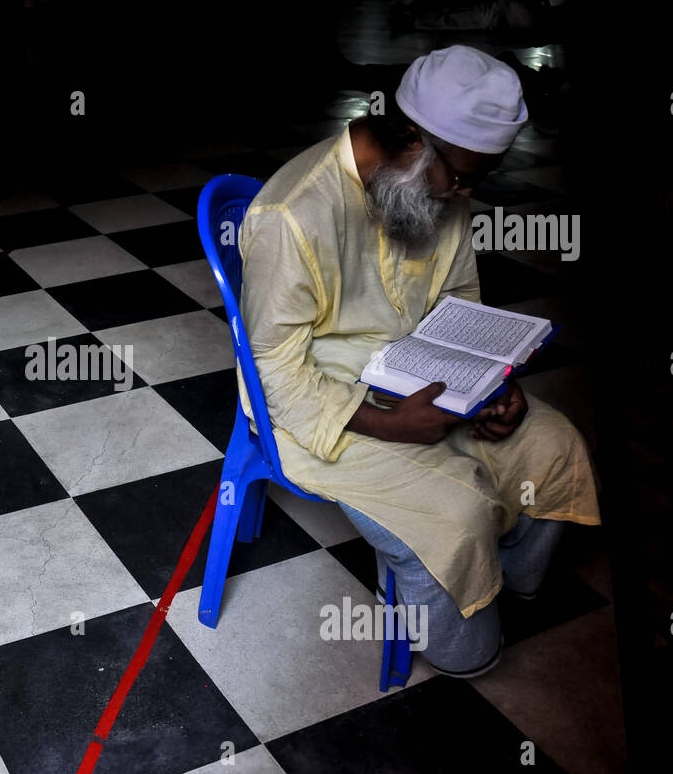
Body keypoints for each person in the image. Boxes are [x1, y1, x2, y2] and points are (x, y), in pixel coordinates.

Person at [237, 45, 600, 677]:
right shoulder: (293, 215)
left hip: (427, 379)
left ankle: (511, 585)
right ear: (412, 140)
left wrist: (491, 386)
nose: (464, 192)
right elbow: (274, 371)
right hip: (324, 402)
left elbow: (459, 300)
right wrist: (387, 425)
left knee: (553, 442)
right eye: (461, 175)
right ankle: (466, 647)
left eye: (477, 178)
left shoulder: (429, 184)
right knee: (453, 517)